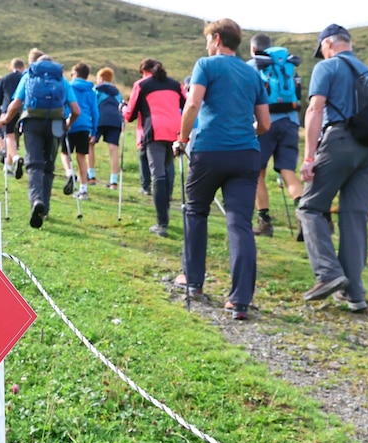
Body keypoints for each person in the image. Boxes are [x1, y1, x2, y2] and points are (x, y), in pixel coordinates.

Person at [173, 18, 271, 320]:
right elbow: (265, 124)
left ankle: (193, 280)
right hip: (246, 156)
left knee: (196, 212)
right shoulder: (252, 74)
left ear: (217, 38)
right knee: (240, 223)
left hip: (209, 151)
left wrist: (182, 138)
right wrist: (243, 135)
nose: (206, 44)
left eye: (207, 39)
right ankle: (239, 300)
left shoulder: (206, 64)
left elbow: (192, 105)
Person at [297, 24, 368, 312]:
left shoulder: (328, 67)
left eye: (322, 50)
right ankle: (355, 294)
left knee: (309, 207)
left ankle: (329, 274)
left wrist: (309, 157)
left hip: (339, 140)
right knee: (354, 217)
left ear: (328, 44)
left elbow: (315, 109)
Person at [0, 53, 80, 229]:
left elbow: (16, 104)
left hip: (32, 122)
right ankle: (45, 208)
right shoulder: (61, 79)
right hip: (57, 123)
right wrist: (68, 124)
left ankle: (36, 200)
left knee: (34, 164)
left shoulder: (29, 75)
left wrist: (6, 119)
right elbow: (76, 110)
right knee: (48, 165)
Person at [248, 34, 305, 239]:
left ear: (254, 49)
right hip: (291, 122)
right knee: (287, 170)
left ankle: (264, 223)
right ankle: (304, 216)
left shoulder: (254, 65)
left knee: (258, 172)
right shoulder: (287, 65)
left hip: (266, 122)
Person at [122, 58, 186, 238]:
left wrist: (123, 109)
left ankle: (162, 223)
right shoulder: (175, 84)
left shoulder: (142, 85)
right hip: (175, 130)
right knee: (167, 170)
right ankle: (165, 213)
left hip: (155, 131)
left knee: (157, 174)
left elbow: (130, 115)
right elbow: (186, 104)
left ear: (144, 70)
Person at [63, 63, 99, 201]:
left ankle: (70, 173)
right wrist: (94, 131)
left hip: (70, 123)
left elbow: (66, 105)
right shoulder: (91, 91)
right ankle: (83, 189)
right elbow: (95, 112)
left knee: (65, 153)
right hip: (85, 126)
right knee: (81, 157)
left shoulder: (69, 87)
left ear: (75, 74)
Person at [0, 57, 28, 179]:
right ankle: (7, 167)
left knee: (9, 137)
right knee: (15, 139)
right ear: (22, 67)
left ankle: (15, 158)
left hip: (9, 110)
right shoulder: (25, 77)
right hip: (23, 111)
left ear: (11, 67)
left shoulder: (5, 78)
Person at [91, 67, 123, 189]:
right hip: (115, 120)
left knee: (91, 143)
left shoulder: (97, 90)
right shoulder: (117, 92)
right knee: (113, 149)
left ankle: (91, 175)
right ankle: (114, 181)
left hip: (100, 118)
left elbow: (93, 104)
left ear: (101, 78)